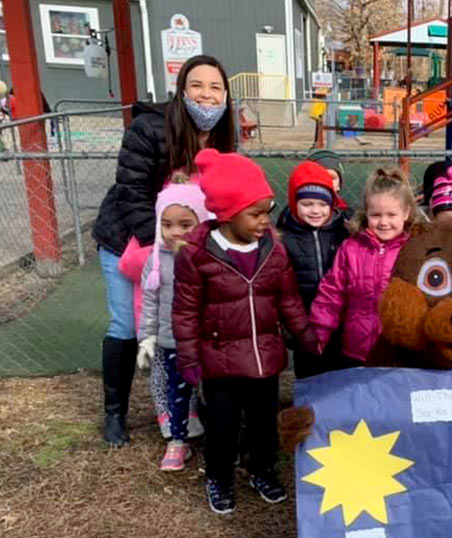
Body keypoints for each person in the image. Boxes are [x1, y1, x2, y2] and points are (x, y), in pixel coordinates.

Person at [93, 55, 235, 447]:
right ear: (182, 90)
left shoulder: (223, 139)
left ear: (225, 94)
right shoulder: (149, 128)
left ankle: (186, 405)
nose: (206, 95)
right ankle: (115, 413)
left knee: (185, 325)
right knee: (127, 324)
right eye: (197, 85)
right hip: (131, 240)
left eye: (215, 87)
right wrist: (161, 247)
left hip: (184, 247)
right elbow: (132, 191)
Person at [172, 149, 320, 515]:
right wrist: (189, 357)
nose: (263, 221)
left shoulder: (274, 250)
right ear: (226, 213)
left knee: (263, 424)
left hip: (265, 359)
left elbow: (287, 299)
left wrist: (304, 334)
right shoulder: (197, 255)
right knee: (222, 426)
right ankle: (219, 478)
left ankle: (262, 470)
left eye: (267, 212)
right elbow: (186, 311)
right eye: (255, 213)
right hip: (220, 364)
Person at [136, 179, 210, 471]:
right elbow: (150, 303)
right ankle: (178, 441)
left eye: (185, 224)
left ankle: (219, 438)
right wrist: (147, 337)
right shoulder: (155, 261)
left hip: (207, 341)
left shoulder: (209, 257)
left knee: (215, 393)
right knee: (177, 392)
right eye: (167, 224)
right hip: (171, 341)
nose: (174, 232)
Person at [310, 168, 416, 365]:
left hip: (399, 349)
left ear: (406, 213)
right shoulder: (351, 248)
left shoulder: (414, 250)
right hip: (356, 349)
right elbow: (332, 292)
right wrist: (319, 331)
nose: (384, 222)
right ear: (366, 212)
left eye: (391, 214)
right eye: (376, 215)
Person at [276, 160, 349, 378]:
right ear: (294, 203)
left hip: (340, 324)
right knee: (309, 378)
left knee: (341, 378)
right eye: (307, 204)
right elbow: (282, 289)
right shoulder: (284, 239)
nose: (316, 210)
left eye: (322, 204)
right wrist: (291, 328)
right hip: (304, 326)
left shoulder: (344, 233)